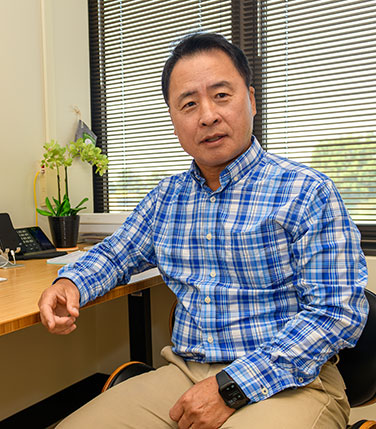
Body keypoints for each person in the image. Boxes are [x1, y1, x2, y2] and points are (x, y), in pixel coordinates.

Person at [38, 32, 368, 429]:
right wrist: (70, 284)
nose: (207, 115)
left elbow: (336, 313)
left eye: (222, 95)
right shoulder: (167, 198)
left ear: (251, 100)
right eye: (189, 104)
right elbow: (115, 253)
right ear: (174, 120)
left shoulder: (306, 192)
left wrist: (231, 387)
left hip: (294, 381)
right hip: (184, 372)